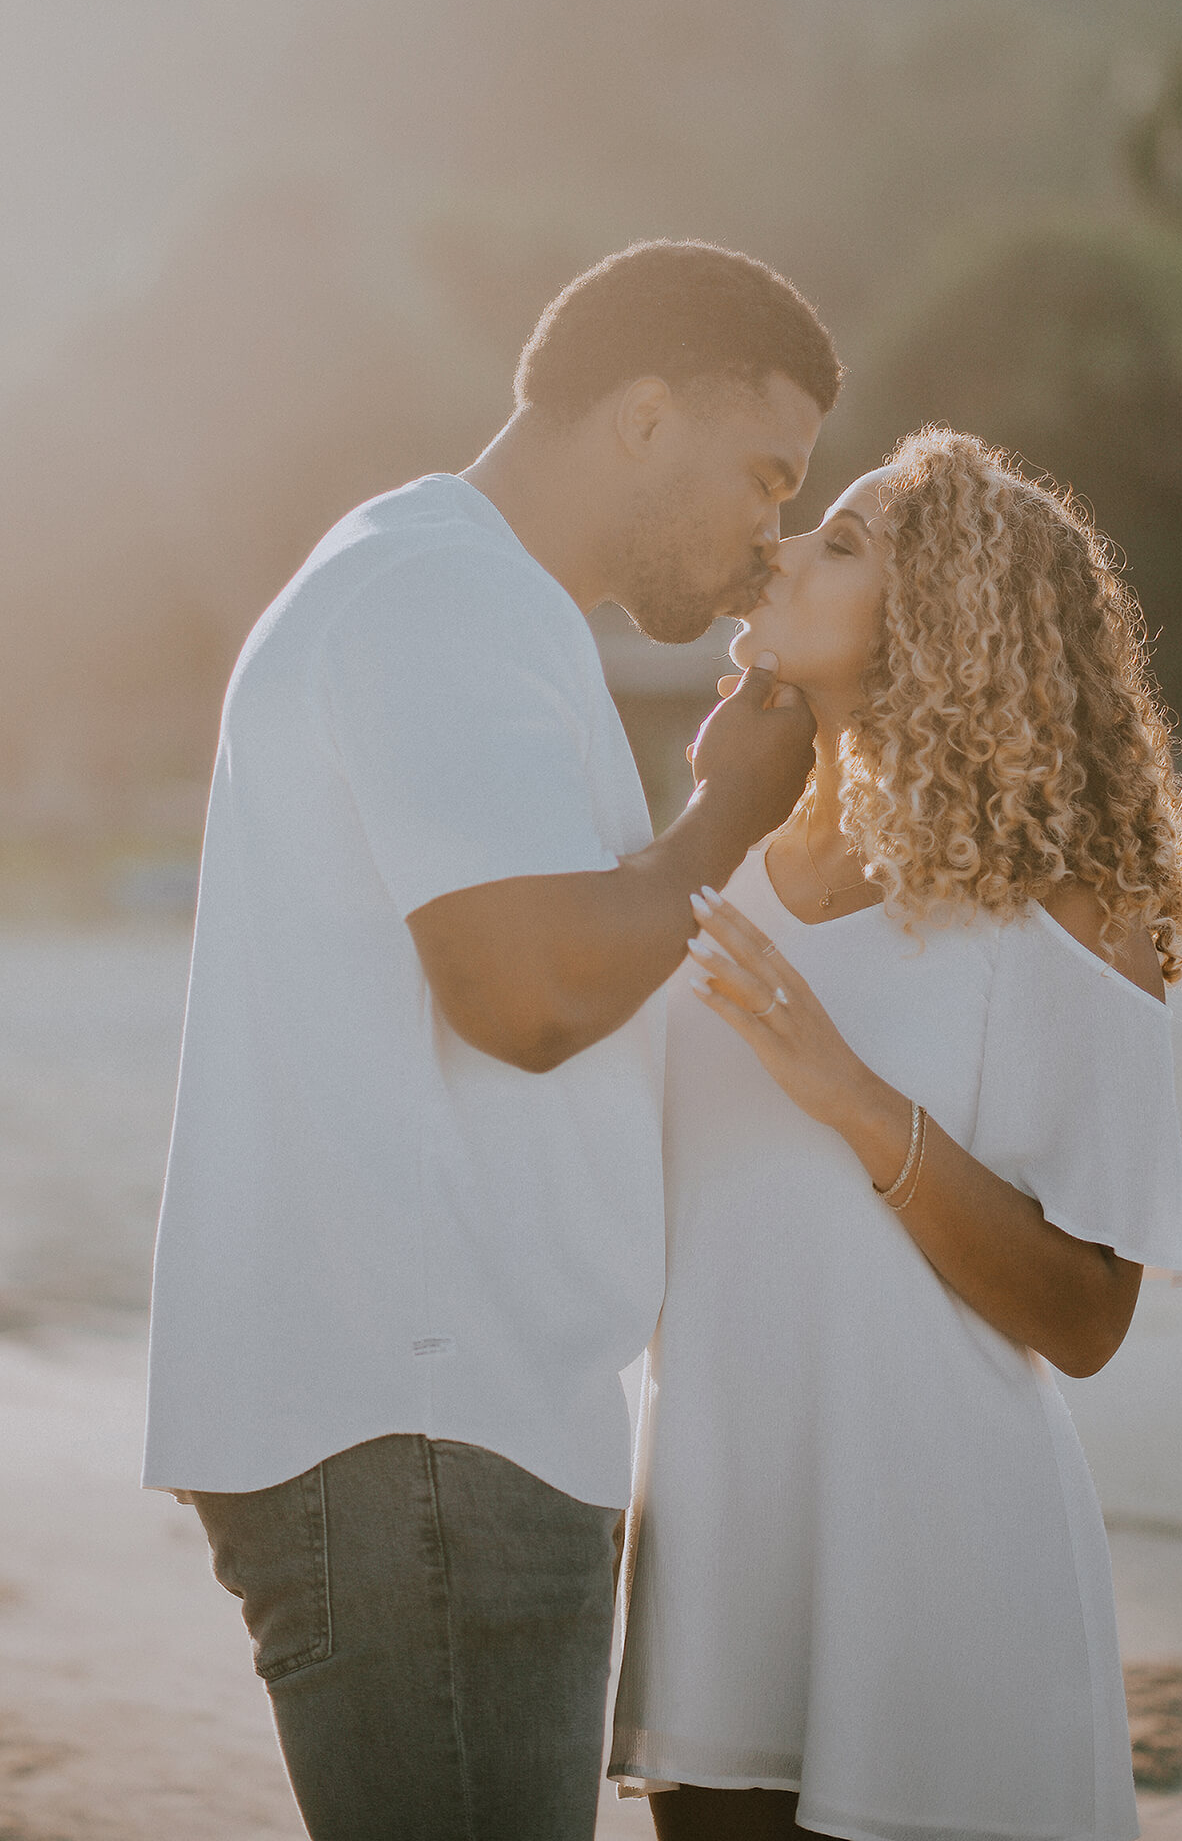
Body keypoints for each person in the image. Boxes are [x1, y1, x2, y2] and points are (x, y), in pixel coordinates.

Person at [142, 239, 842, 1841]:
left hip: (435, 1418)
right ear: (644, 416)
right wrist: (725, 818)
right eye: (764, 473)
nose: (767, 534)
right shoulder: (439, 595)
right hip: (422, 1421)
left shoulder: (458, 592)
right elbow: (523, 995)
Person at [609, 428, 1182, 1841]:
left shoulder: (1068, 907)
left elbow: (1082, 1317)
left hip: (939, 1547)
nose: (781, 551)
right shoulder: (723, 871)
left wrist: (856, 1100)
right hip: (714, 1530)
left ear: (940, 615)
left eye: (842, 542)